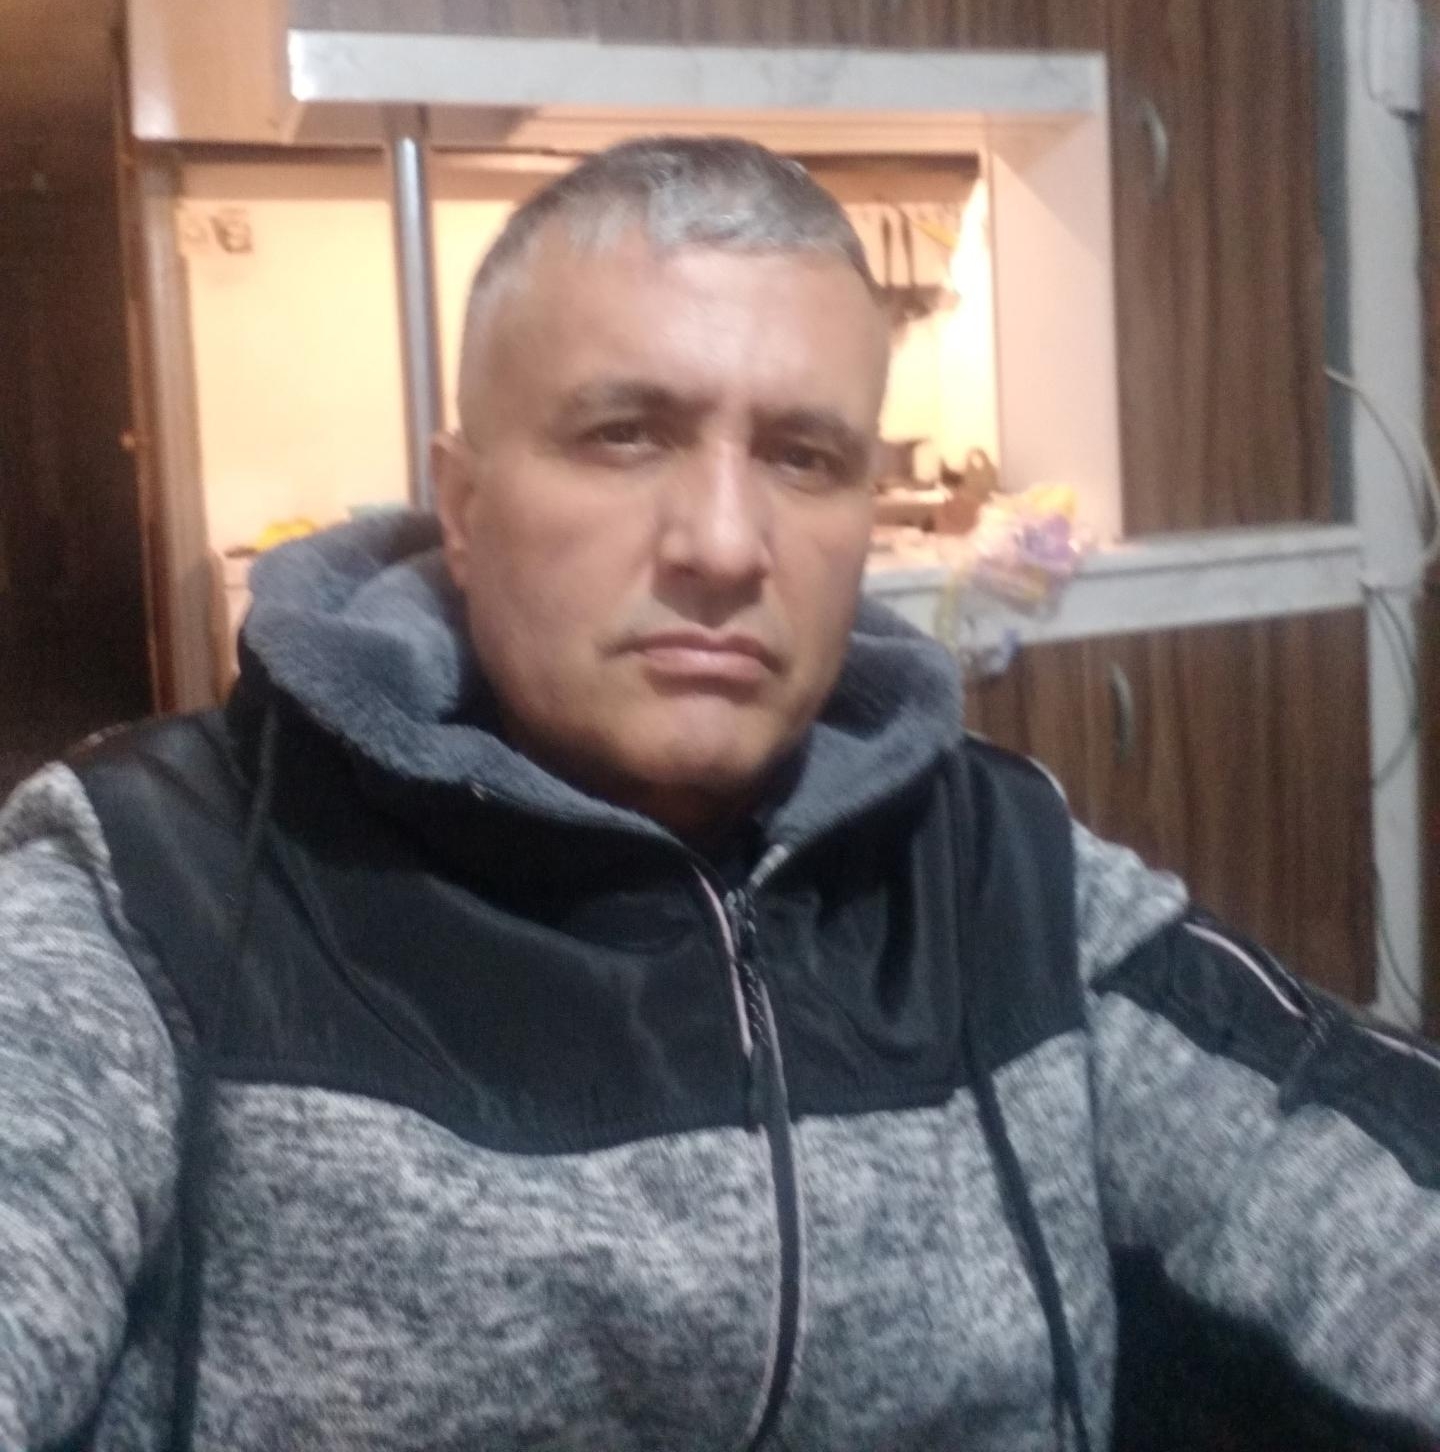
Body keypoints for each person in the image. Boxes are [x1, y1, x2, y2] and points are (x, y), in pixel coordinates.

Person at [0, 135, 1436, 1452]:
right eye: (625, 434)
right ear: (466, 503)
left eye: (806, 458)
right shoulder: (148, 893)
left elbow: (1338, 1150)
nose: (726, 544)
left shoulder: (1001, 868)